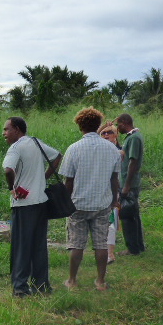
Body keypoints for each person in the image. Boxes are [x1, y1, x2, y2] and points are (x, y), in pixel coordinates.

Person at [59, 108, 121, 291]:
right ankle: (100, 282)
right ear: (97, 126)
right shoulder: (111, 149)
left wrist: (66, 202)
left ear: (80, 126)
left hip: (78, 204)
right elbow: (114, 179)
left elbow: (68, 181)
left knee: (76, 244)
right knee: (101, 243)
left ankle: (72, 281)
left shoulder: (73, 149)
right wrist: (114, 200)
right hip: (102, 204)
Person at [2, 116, 62, 297]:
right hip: (41, 202)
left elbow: (7, 169)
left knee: (21, 246)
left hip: (23, 204)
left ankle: (20, 288)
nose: (4, 133)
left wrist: (11, 188)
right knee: (38, 245)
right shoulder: (35, 143)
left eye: (6, 129)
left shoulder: (15, 147)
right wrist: (43, 178)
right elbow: (57, 156)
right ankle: (41, 285)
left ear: (17, 130)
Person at [115, 113, 145, 255]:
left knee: (127, 216)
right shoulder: (132, 137)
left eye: (118, 124)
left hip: (129, 183)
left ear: (125, 122)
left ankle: (132, 248)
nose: (117, 128)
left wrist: (126, 185)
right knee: (134, 214)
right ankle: (138, 245)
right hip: (130, 182)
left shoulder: (133, 138)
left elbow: (132, 162)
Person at [97, 121, 124, 264]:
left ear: (116, 135)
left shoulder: (119, 151)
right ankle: (104, 252)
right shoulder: (97, 148)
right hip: (98, 190)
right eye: (103, 133)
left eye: (109, 132)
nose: (106, 134)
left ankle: (110, 254)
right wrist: (100, 128)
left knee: (111, 222)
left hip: (112, 191)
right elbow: (89, 136)